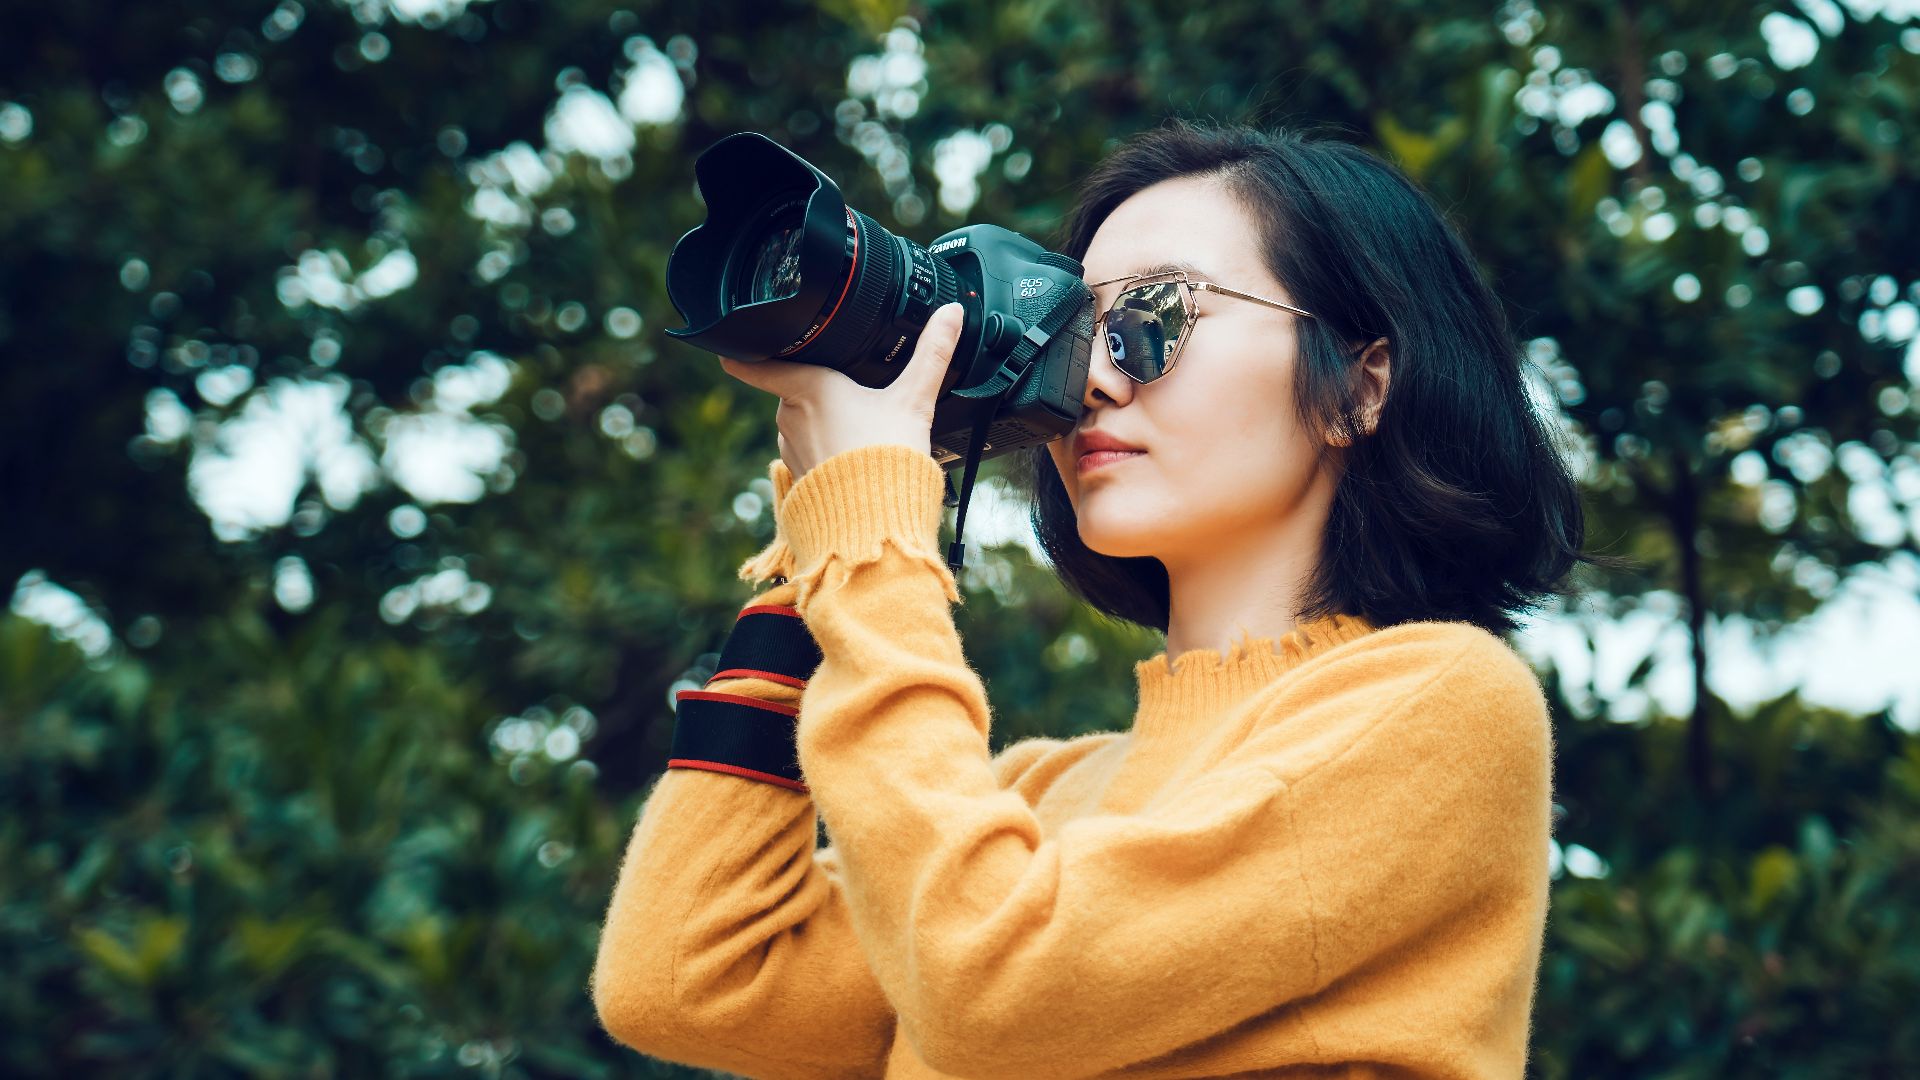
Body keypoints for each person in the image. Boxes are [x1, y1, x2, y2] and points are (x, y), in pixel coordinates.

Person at [591, 118, 1601, 1078]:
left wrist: (873, 551)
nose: (1095, 385)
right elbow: (690, 977)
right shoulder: (1029, 803)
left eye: (1156, 319)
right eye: (1075, 332)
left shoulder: (1444, 706)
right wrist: (821, 555)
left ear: (1360, 385)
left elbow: (990, 985)